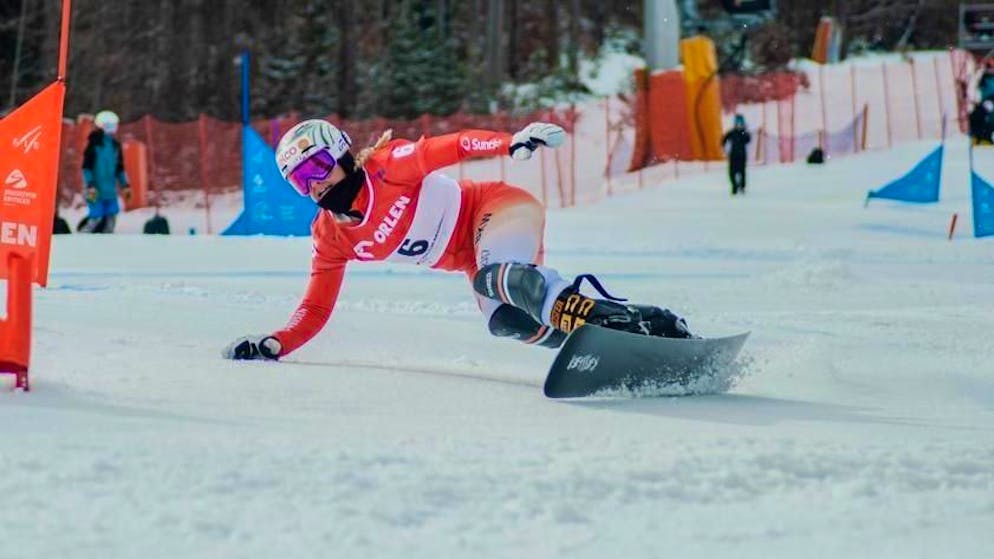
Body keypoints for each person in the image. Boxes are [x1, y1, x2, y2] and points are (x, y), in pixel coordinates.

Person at [222, 120, 695, 361]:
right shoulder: (330, 236)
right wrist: (276, 343)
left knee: (495, 279)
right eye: (300, 180)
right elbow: (315, 308)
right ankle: (603, 341)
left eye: (318, 168)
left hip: (497, 209)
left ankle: (634, 321)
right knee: (506, 322)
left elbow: (454, 145)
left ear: (343, 155)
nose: (314, 185)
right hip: (474, 260)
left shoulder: (388, 167)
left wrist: (509, 142)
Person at [81, 110, 131, 233]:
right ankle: (83, 236)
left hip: (110, 191)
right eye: (111, 125)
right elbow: (86, 167)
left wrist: (125, 185)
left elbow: (119, 168)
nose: (114, 128)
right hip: (94, 189)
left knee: (111, 218)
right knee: (96, 216)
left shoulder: (115, 145)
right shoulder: (93, 144)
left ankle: (107, 242)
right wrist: (90, 184)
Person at [722, 114, 751, 195]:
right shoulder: (732, 132)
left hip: (742, 156)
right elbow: (724, 140)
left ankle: (742, 186)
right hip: (733, 155)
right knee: (732, 172)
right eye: (737, 123)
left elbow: (748, 139)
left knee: (742, 172)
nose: (739, 125)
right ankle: (734, 186)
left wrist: (744, 131)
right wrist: (724, 148)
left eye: (740, 123)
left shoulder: (744, 133)